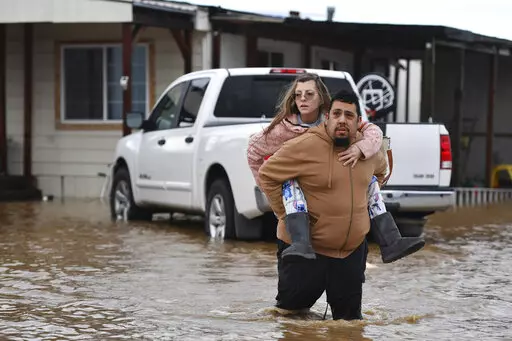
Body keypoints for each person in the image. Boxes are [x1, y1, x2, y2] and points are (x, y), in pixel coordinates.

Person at [247, 73, 424, 264]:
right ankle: (300, 242)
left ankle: (391, 241)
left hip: (341, 187)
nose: (302, 99)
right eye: (298, 95)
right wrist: (275, 198)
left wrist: (360, 148)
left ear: (321, 97)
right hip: (299, 190)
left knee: (370, 181)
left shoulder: (334, 117)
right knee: (291, 181)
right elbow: (253, 151)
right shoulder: (283, 129)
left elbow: (374, 132)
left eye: (309, 94)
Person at [257, 89, 392, 319]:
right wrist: (284, 215)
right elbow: (267, 175)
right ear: (327, 117)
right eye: (337, 113)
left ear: (358, 122)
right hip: (307, 252)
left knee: (348, 326)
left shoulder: (367, 150)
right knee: (291, 319)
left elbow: (380, 174)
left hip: (350, 253)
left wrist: (359, 210)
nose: (342, 120)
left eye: (349, 116)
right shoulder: (306, 145)